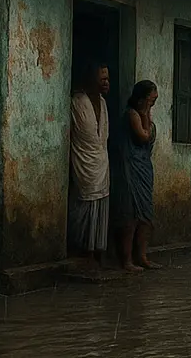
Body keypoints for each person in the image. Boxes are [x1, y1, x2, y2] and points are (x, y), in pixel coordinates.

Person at [68, 63, 111, 266]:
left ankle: (97, 249)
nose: (106, 83)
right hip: (83, 162)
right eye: (102, 79)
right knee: (84, 203)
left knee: (101, 204)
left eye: (107, 79)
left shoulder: (102, 103)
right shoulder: (78, 102)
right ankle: (83, 249)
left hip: (102, 161)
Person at [115, 80, 158, 271]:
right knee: (131, 215)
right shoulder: (133, 115)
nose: (152, 104)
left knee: (146, 215)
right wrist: (145, 113)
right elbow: (144, 136)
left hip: (143, 167)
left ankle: (142, 255)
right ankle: (127, 260)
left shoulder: (143, 114)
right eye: (151, 100)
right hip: (130, 169)